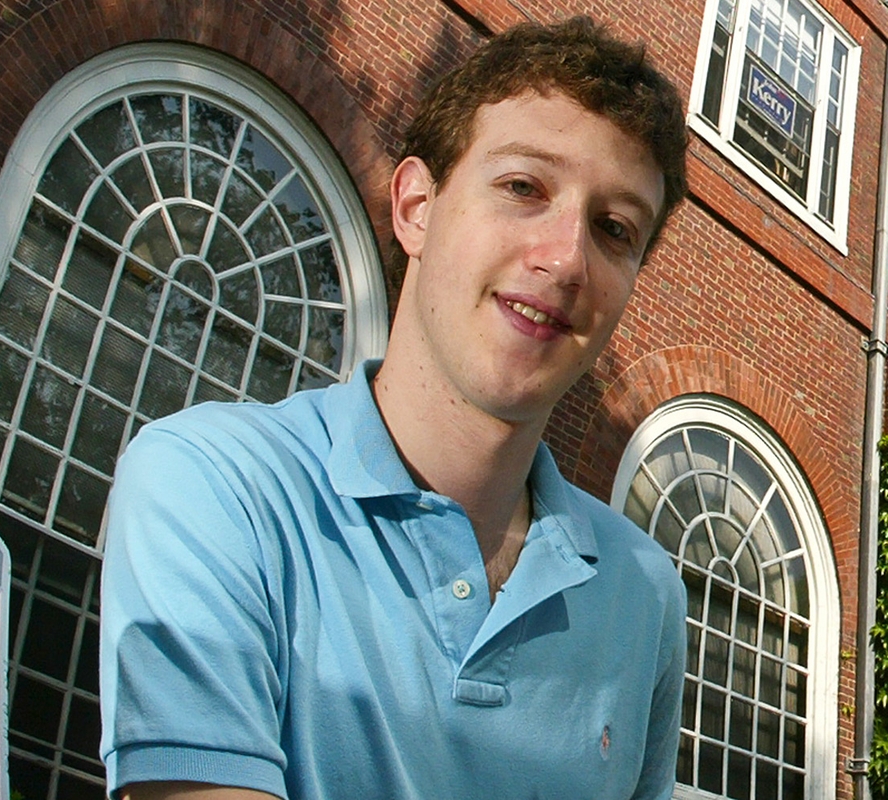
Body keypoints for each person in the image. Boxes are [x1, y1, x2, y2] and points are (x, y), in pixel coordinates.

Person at [99, 15, 690, 800]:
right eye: (523, 187)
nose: (566, 258)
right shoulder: (215, 484)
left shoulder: (646, 595)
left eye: (614, 229)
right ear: (415, 205)